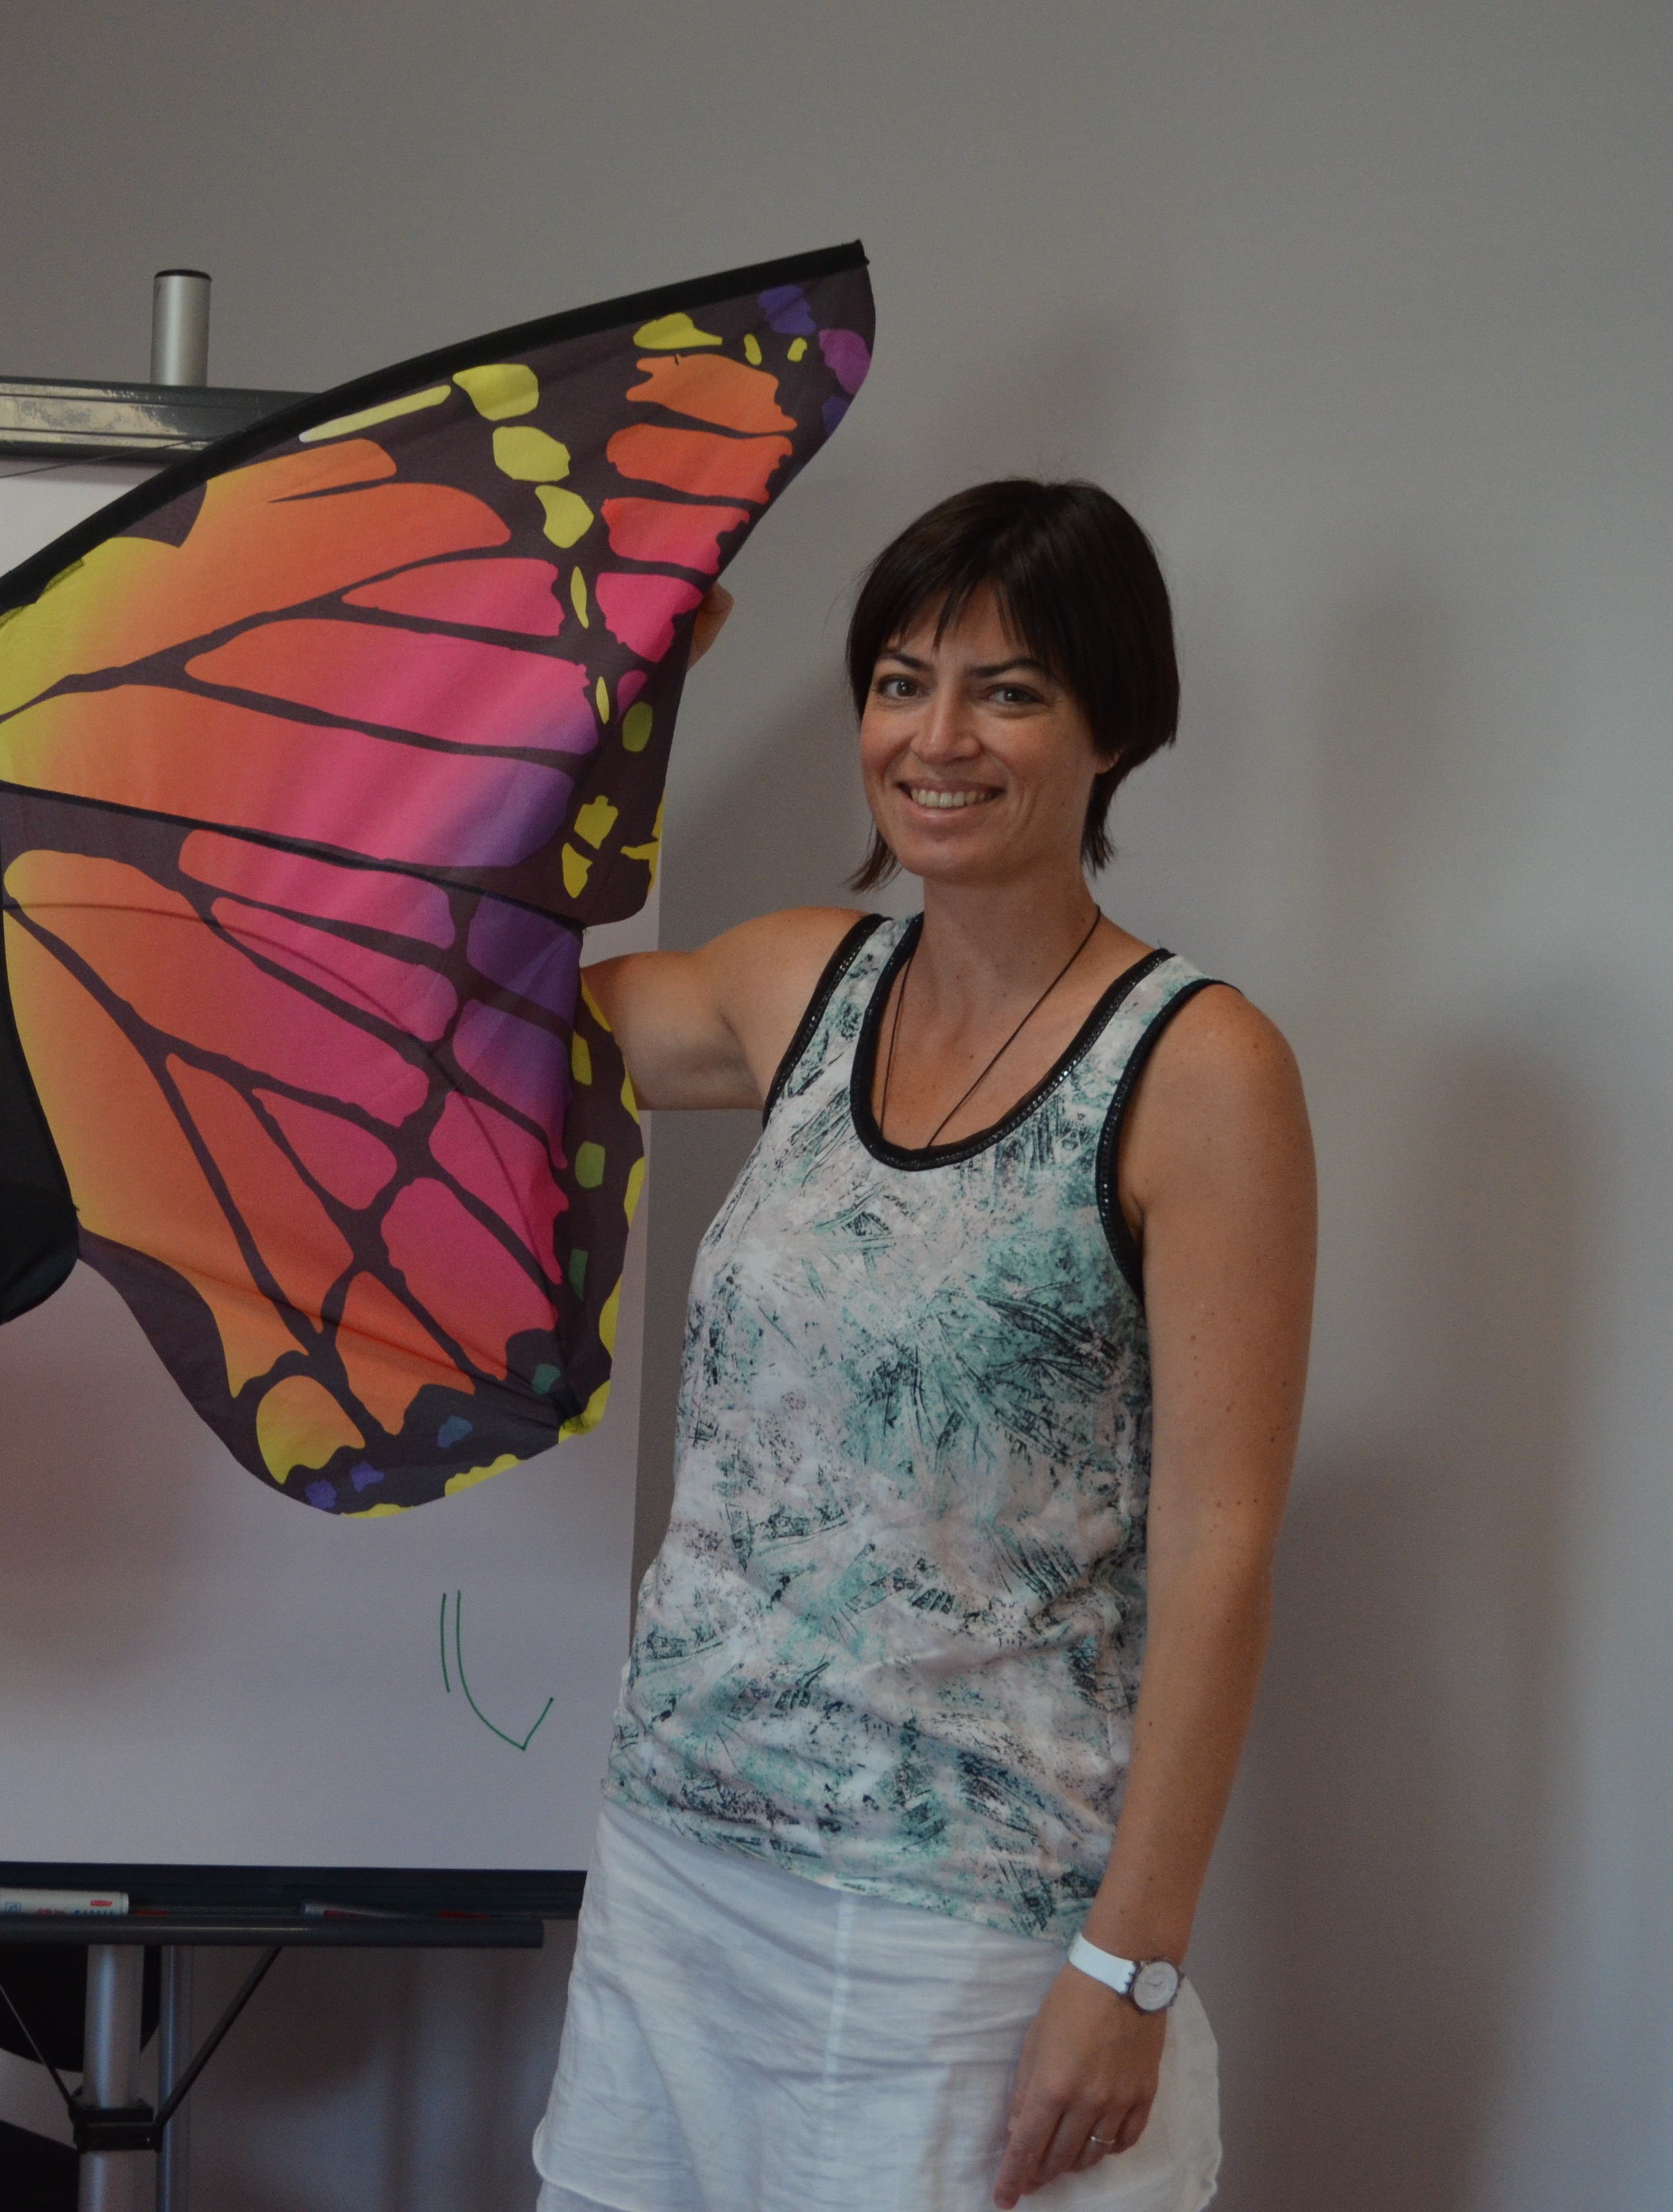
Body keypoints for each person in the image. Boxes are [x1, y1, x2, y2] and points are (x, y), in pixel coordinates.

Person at [529, 481, 1315, 2212]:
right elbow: (480, 1002)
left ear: (1116, 727)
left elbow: (1219, 1544)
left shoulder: (1198, 1071)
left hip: (963, 1938)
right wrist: (621, 699)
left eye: (1008, 690)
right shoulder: (794, 985)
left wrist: (1130, 1967)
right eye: (899, 681)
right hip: (679, 1875)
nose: (936, 737)